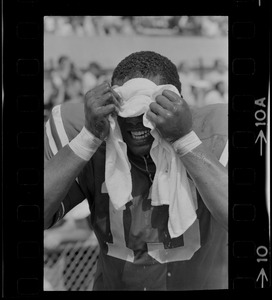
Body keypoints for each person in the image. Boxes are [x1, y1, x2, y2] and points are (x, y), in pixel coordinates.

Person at [44, 51, 228, 291]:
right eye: (127, 108)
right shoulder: (85, 131)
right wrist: (87, 139)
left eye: (153, 109)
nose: (139, 121)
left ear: (179, 105)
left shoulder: (213, 130)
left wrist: (184, 140)